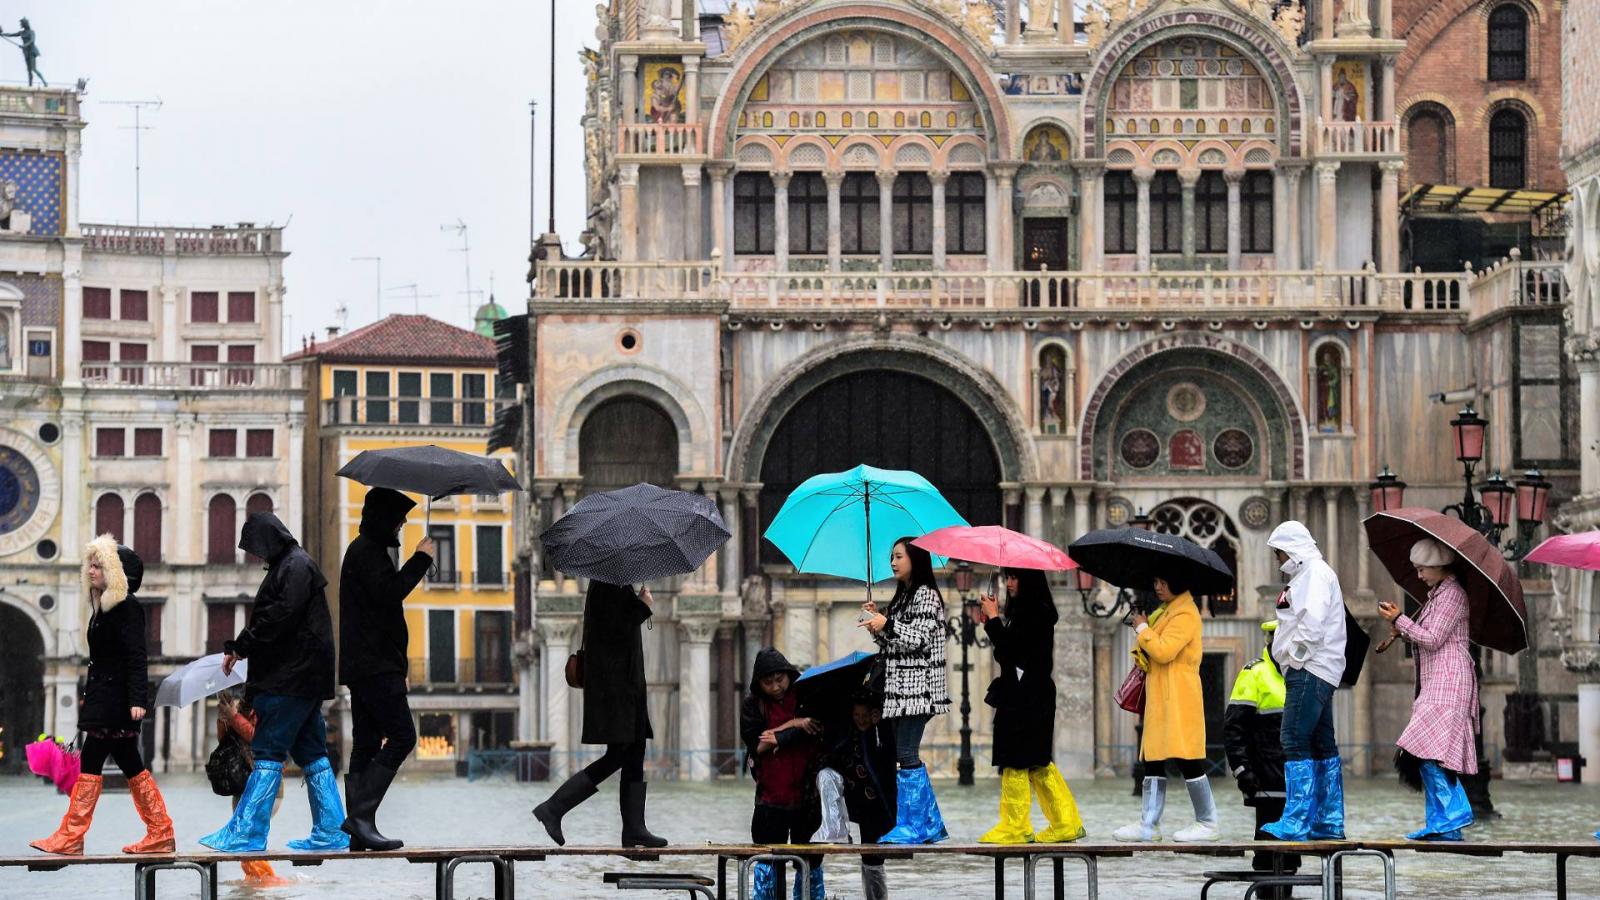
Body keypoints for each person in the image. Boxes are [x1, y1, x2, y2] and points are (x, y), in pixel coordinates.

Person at [200, 512, 349, 852]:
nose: (257, 556)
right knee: (313, 753)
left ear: (269, 541)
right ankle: (331, 830)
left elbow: (278, 618)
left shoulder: (294, 567)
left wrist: (241, 645)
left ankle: (247, 833)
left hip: (290, 678)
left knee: (267, 751)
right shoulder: (295, 565)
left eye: (256, 548)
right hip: (303, 678)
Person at [31, 536, 174, 855]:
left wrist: (138, 700)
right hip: (105, 697)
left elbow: (137, 654)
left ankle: (72, 836)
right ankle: (159, 830)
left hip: (117, 700)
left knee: (94, 760)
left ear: (114, 572)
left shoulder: (127, 607)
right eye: (90, 565)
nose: (91, 570)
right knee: (128, 762)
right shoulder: (101, 608)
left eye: (98, 565)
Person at [533, 581, 667, 848]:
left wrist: (637, 603)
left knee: (634, 752)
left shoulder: (615, 583)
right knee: (621, 753)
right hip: (616, 687)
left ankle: (634, 829)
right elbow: (615, 630)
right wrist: (643, 607)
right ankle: (554, 808)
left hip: (625, 685)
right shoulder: (608, 584)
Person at [338, 487, 434, 851]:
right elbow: (389, 594)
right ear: (383, 519)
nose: (402, 525)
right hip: (377, 665)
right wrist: (421, 559)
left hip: (364, 665)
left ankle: (358, 831)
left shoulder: (361, 551)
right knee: (403, 737)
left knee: (365, 742)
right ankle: (360, 817)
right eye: (397, 520)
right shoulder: (368, 552)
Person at [974, 568, 1085, 844]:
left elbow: (1013, 650)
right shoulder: (1029, 613)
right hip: (1028, 694)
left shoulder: (1035, 612)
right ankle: (1065, 822)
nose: (1009, 583)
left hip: (1026, 698)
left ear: (1029, 580)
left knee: (1015, 761)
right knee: (1037, 762)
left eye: (1014, 577)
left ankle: (1015, 826)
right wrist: (993, 621)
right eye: (1007, 577)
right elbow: (1007, 654)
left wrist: (995, 621)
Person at [1377, 537, 1476, 841]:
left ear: (1439, 567)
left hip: (1450, 679)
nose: (1419, 575)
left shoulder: (1453, 596)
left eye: (1422, 570)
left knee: (1422, 746)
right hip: (1437, 680)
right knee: (1429, 752)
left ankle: (1455, 811)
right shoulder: (1437, 595)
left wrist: (1400, 620)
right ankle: (1443, 824)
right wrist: (1403, 630)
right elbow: (1429, 636)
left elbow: (1433, 639)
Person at [858, 537, 951, 844]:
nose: (893, 563)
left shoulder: (925, 595)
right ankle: (928, 823)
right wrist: (878, 625)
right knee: (905, 753)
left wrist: (888, 623)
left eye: (899, 556)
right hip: (900, 691)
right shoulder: (904, 596)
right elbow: (896, 642)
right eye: (892, 557)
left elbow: (918, 639)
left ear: (916, 558)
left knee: (906, 753)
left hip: (917, 690)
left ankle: (913, 824)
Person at [1113, 572, 1218, 842]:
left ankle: (1207, 822)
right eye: (1156, 581)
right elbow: (1152, 652)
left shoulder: (1185, 613)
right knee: (1153, 758)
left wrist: (1142, 629)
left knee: (1187, 758)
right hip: (1160, 694)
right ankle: (1148, 824)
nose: (1157, 586)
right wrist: (1144, 630)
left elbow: (1164, 650)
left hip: (1179, 695)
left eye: (1163, 581)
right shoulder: (1165, 611)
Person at [1261, 521, 1348, 841]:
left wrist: (1295, 659)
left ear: (1292, 549)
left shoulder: (1313, 574)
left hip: (1310, 669)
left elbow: (1311, 622)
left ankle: (1296, 820)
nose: (1276, 559)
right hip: (1320, 669)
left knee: (1294, 739)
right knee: (1323, 744)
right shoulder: (1312, 574)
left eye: (1278, 552)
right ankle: (1329, 819)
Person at [740, 647, 825, 900]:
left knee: (810, 862)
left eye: (780, 680)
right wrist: (795, 724)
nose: (776, 687)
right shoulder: (752, 705)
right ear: (759, 684)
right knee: (768, 861)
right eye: (768, 683)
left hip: (808, 797)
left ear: (789, 675)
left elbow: (816, 727)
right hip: (770, 799)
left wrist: (779, 735)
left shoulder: (806, 695)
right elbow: (757, 745)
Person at [1224, 622, 1300, 898]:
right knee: (1267, 850)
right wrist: (1242, 770)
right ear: (1271, 641)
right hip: (1265, 781)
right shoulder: (1254, 673)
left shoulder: (1301, 673)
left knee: (1292, 854)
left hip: (1296, 782)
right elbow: (1234, 728)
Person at [813, 690, 896, 900]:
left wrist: (879, 726)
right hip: (852, 798)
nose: (861, 720)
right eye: (857, 715)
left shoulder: (882, 731)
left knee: (873, 858)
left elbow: (886, 757)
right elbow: (833, 758)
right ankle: (837, 831)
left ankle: (877, 897)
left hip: (875, 805)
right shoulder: (846, 733)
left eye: (865, 716)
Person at [216, 691, 291, 887]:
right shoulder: (238, 710)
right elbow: (224, 743)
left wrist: (233, 717)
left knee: (248, 837)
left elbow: (261, 739)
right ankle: (255, 884)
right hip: (240, 785)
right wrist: (223, 719)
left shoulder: (268, 707)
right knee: (243, 839)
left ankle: (268, 881)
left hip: (266, 786)